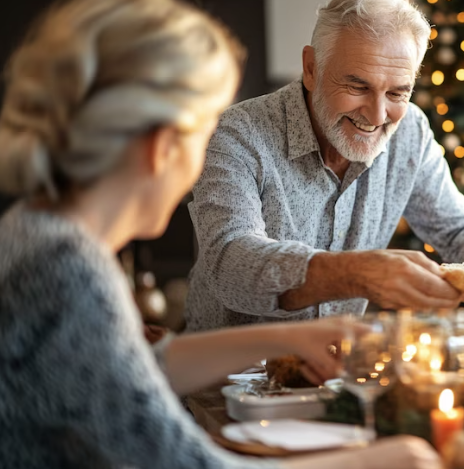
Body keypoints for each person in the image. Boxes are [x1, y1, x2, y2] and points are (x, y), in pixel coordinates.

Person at [0, 1, 441, 467]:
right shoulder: (68, 271)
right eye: (204, 128)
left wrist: (290, 338)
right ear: (162, 146)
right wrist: (387, 458)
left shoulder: (35, 232)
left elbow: (135, 373)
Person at [185, 0, 464, 332]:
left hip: (335, 373)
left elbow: (456, 228)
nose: (377, 114)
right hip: (228, 381)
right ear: (311, 68)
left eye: (398, 93)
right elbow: (229, 262)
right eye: (357, 86)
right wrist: (355, 273)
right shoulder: (236, 134)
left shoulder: (411, 130)